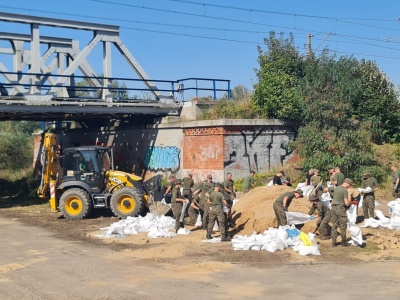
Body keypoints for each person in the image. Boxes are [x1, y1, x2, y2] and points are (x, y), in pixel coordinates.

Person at [331, 178, 353, 247]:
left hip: (333, 208)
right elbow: (346, 203)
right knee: (343, 226)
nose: (349, 187)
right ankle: (343, 242)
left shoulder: (336, 188)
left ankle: (334, 242)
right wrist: (352, 202)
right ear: (347, 183)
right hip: (340, 209)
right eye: (349, 185)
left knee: (334, 226)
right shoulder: (344, 190)